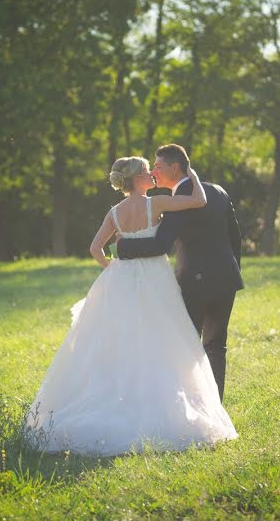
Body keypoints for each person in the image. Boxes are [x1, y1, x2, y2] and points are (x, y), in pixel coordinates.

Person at [25, 156, 237, 456]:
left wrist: (109, 268)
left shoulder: (114, 212)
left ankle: (119, 396)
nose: (153, 172)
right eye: (147, 170)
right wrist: (191, 171)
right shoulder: (158, 204)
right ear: (137, 178)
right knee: (163, 339)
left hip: (122, 279)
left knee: (121, 339)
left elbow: (95, 247)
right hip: (155, 279)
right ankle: (160, 400)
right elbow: (198, 199)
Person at [116, 144, 243, 402]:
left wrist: (122, 245)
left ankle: (190, 407)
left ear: (175, 167)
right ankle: (214, 405)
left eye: (159, 166)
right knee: (216, 346)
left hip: (195, 284)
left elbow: (160, 244)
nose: (153, 171)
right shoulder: (218, 191)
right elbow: (236, 238)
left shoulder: (180, 199)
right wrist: (231, 271)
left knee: (186, 347)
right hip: (226, 280)